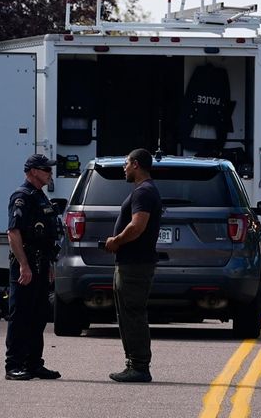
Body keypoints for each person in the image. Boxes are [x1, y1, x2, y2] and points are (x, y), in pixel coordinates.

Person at [104, 148, 162, 383]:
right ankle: (133, 364)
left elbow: (137, 226)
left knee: (133, 314)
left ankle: (139, 366)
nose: (124, 167)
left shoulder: (144, 192)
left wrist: (116, 241)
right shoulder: (142, 191)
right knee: (127, 314)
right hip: (130, 263)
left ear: (136, 164)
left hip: (136, 264)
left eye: (126, 163)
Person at [5, 153, 63, 380]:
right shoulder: (22, 197)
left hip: (41, 263)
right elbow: (13, 232)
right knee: (20, 315)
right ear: (33, 172)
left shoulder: (40, 197)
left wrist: (48, 264)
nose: (50, 173)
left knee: (38, 315)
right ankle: (14, 365)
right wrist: (23, 265)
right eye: (46, 169)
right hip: (26, 264)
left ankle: (33, 363)